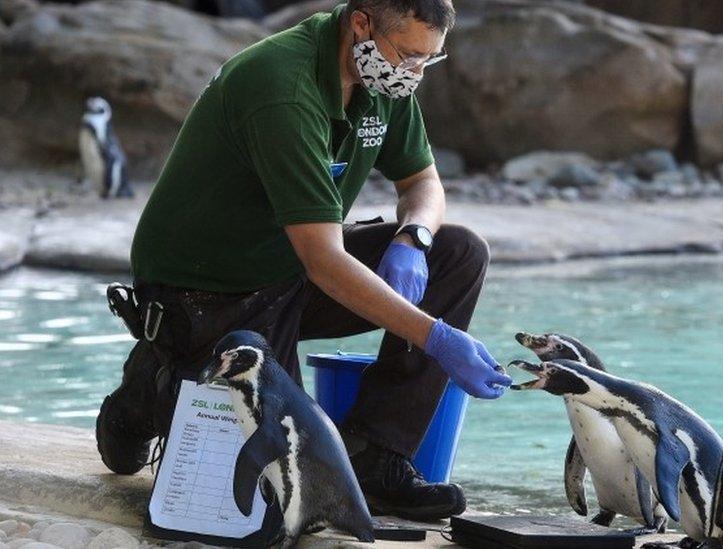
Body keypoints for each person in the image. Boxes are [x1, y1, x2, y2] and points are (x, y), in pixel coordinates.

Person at [95, 0, 512, 521]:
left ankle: (378, 457)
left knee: (460, 253)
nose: (415, 74)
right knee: (273, 494)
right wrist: (437, 338)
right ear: (361, 23)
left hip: (293, 269)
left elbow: (422, 181)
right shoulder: (282, 86)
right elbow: (324, 261)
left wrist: (415, 239)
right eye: (409, 56)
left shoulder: (383, 76)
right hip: (210, 291)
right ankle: (143, 396)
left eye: (429, 60)